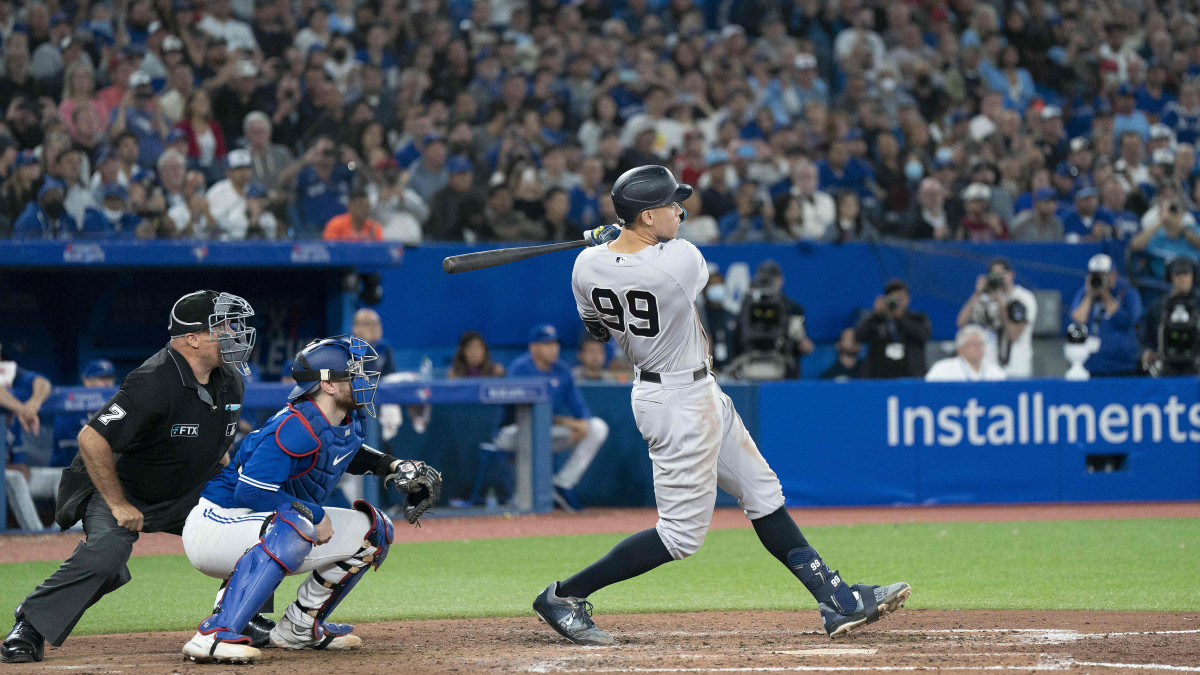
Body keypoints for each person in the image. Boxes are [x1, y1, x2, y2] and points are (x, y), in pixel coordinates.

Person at [536, 164, 909, 646]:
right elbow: (659, 264)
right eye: (670, 205)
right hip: (677, 402)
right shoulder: (680, 261)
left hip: (686, 389)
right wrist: (622, 244)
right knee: (680, 537)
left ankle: (836, 599)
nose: (681, 210)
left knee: (761, 492)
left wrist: (612, 248)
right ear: (646, 216)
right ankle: (565, 595)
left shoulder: (584, 265)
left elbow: (597, 329)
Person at [1, 291, 261, 664]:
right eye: (223, 326)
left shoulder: (231, 380)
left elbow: (219, 451)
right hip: (122, 489)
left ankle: (242, 616)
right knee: (106, 557)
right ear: (192, 338)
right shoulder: (153, 380)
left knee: (253, 527)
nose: (235, 333)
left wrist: (231, 499)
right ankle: (30, 626)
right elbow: (90, 438)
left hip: (185, 491)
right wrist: (118, 503)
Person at [178, 335, 441, 663]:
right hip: (215, 524)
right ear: (328, 385)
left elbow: (346, 452)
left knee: (374, 531)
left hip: (259, 525)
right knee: (297, 522)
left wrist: (395, 467)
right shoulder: (294, 425)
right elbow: (251, 491)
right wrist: (314, 513)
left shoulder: (344, 419)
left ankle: (300, 627)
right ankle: (215, 635)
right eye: (353, 373)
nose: (363, 379)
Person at [495, 324, 609, 512]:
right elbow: (523, 413)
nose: (553, 348)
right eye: (547, 344)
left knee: (597, 427)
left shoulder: (562, 371)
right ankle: (523, 496)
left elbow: (580, 410)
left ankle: (562, 484)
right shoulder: (520, 368)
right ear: (533, 347)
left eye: (555, 344)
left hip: (546, 433)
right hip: (512, 433)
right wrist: (567, 422)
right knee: (530, 430)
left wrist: (582, 424)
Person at [956, 258, 1038, 378]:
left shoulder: (1023, 298)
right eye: (994, 274)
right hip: (989, 369)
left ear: (1011, 275)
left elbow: (1014, 335)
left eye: (1002, 274)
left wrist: (1001, 303)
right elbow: (961, 322)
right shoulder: (985, 298)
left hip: (1015, 368)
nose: (999, 278)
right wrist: (977, 293)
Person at [1, 345, 53, 531]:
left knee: (63, 478)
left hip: (6, 474)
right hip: (6, 475)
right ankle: (35, 534)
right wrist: (22, 409)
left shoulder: (7, 372)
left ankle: (66, 532)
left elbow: (42, 382)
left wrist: (34, 403)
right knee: (14, 477)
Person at [1069, 253, 1143, 376]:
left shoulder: (1128, 293)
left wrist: (1106, 295)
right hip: (1092, 365)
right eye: (1095, 275)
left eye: (1103, 275)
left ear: (1114, 274)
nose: (1099, 279)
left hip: (1123, 366)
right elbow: (1078, 321)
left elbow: (1128, 321)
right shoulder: (1084, 294)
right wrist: (1089, 295)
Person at [854, 279, 931, 379]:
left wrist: (901, 318)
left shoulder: (918, 318)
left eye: (901, 298)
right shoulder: (876, 320)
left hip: (910, 377)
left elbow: (924, 335)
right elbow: (858, 337)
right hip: (879, 378)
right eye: (894, 298)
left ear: (908, 299)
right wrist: (874, 314)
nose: (898, 302)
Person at [1141, 256, 1200, 376]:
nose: (1182, 279)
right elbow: (1147, 338)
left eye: (1186, 274)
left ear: (1193, 277)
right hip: (1166, 365)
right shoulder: (1159, 307)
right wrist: (1147, 351)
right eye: (1178, 274)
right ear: (1171, 278)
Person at [925, 325, 1007, 382]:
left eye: (980, 344)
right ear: (961, 349)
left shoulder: (995, 371)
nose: (978, 348)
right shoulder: (942, 369)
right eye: (973, 344)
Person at [350, 308, 395, 377]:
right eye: (368, 324)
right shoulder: (346, 347)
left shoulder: (384, 347)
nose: (374, 328)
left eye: (376, 323)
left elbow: (390, 376)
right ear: (355, 328)